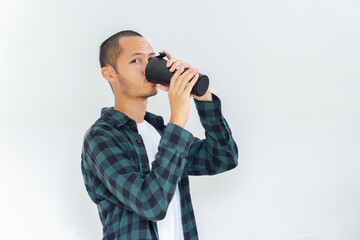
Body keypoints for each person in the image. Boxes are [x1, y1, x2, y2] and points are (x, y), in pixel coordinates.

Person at [80, 30, 238, 240]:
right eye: (136, 60)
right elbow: (150, 204)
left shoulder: (160, 131)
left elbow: (223, 158)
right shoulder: (101, 137)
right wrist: (178, 120)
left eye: (152, 59)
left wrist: (202, 96)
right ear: (110, 74)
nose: (147, 68)